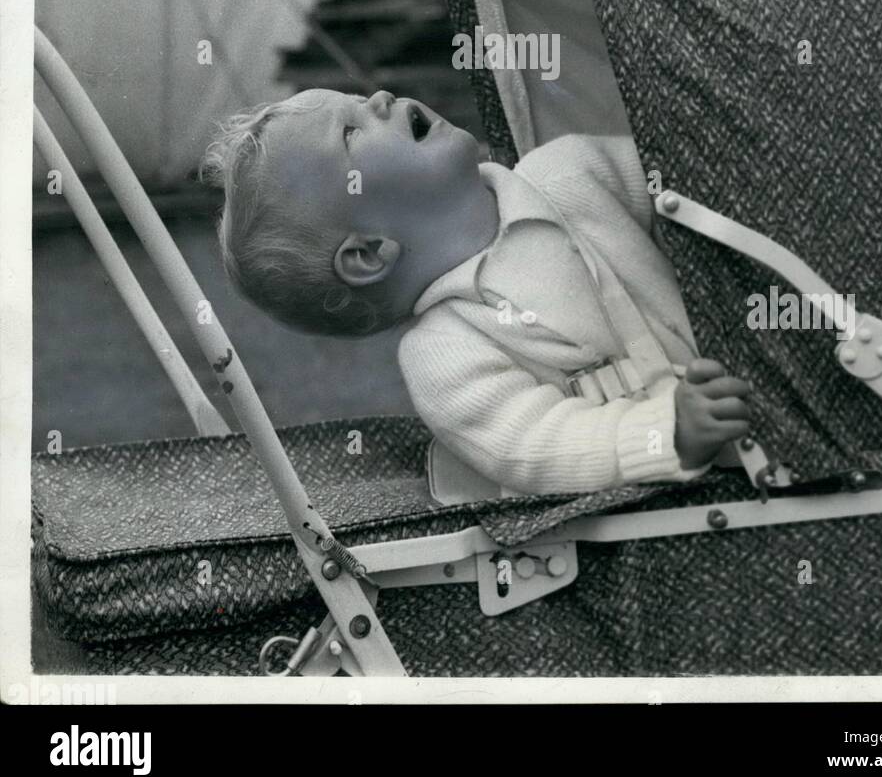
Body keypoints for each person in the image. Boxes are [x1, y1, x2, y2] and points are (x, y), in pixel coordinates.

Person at [202, 88, 753, 495]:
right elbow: (535, 446)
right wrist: (667, 433)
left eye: (358, 97)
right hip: (692, 490)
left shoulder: (570, 174)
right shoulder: (446, 353)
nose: (379, 96)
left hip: (773, 375)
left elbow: (709, 185)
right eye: (350, 133)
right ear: (369, 254)